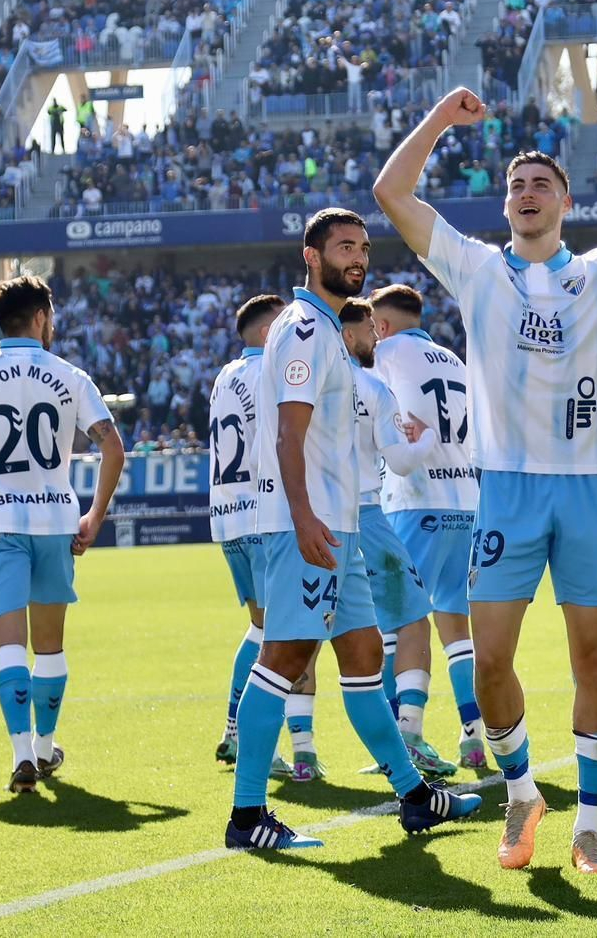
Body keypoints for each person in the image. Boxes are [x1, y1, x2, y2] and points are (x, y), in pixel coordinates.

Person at [373, 83, 597, 874]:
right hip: (509, 492)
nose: (526, 193)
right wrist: (440, 120)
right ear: (506, 205)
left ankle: (590, 822)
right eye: (516, 185)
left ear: (564, 200)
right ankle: (523, 791)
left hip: (588, 489)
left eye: (541, 184)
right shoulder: (476, 269)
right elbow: (392, 191)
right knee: (488, 661)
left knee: (593, 659)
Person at [224, 208, 482, 851]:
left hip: (343, 527)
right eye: (343, 246)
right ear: (311, 256)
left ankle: (415, 796)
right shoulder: (305, 328)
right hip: (306, 526)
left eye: (363, 247)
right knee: (283, 658)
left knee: (365, 657)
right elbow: (289, 429)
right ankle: (247, 816)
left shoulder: (330, 334)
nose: (357, 256)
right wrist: (305, 515)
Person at [0, 274, 127, 794]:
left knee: (8, 647)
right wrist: (94, 515)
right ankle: (46, 748)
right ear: (42, 318)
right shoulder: (69, 374)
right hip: (54, 523)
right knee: (49, 647)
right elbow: (112, 447)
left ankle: (22, 754)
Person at [370, 283, 487, 769]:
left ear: (380, 325)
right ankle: (474, 735)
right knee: (456, 625)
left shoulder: (384, 353)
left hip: (414, 500)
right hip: (465, 501)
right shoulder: (454, 361)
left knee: (401, 622)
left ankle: (407, 733)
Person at [339, 297, 456, 779]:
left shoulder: (307, 382)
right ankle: (407, 736)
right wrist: (427, 437)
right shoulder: (371, 385)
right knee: (413, 622)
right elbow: (405, 461)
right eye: (369, 328)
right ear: (351, 334)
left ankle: (297, 749)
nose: (376, 337)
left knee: (296, 642)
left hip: (313, 521)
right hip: (371, 515)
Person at [208, 293, 301, 778]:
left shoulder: (225, 376)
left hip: (228, 517)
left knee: (261, 628)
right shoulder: (270, 373)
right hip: (264, 517)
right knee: (275, 634)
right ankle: (247, 737)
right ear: (268, 334)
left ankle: (234, 730)